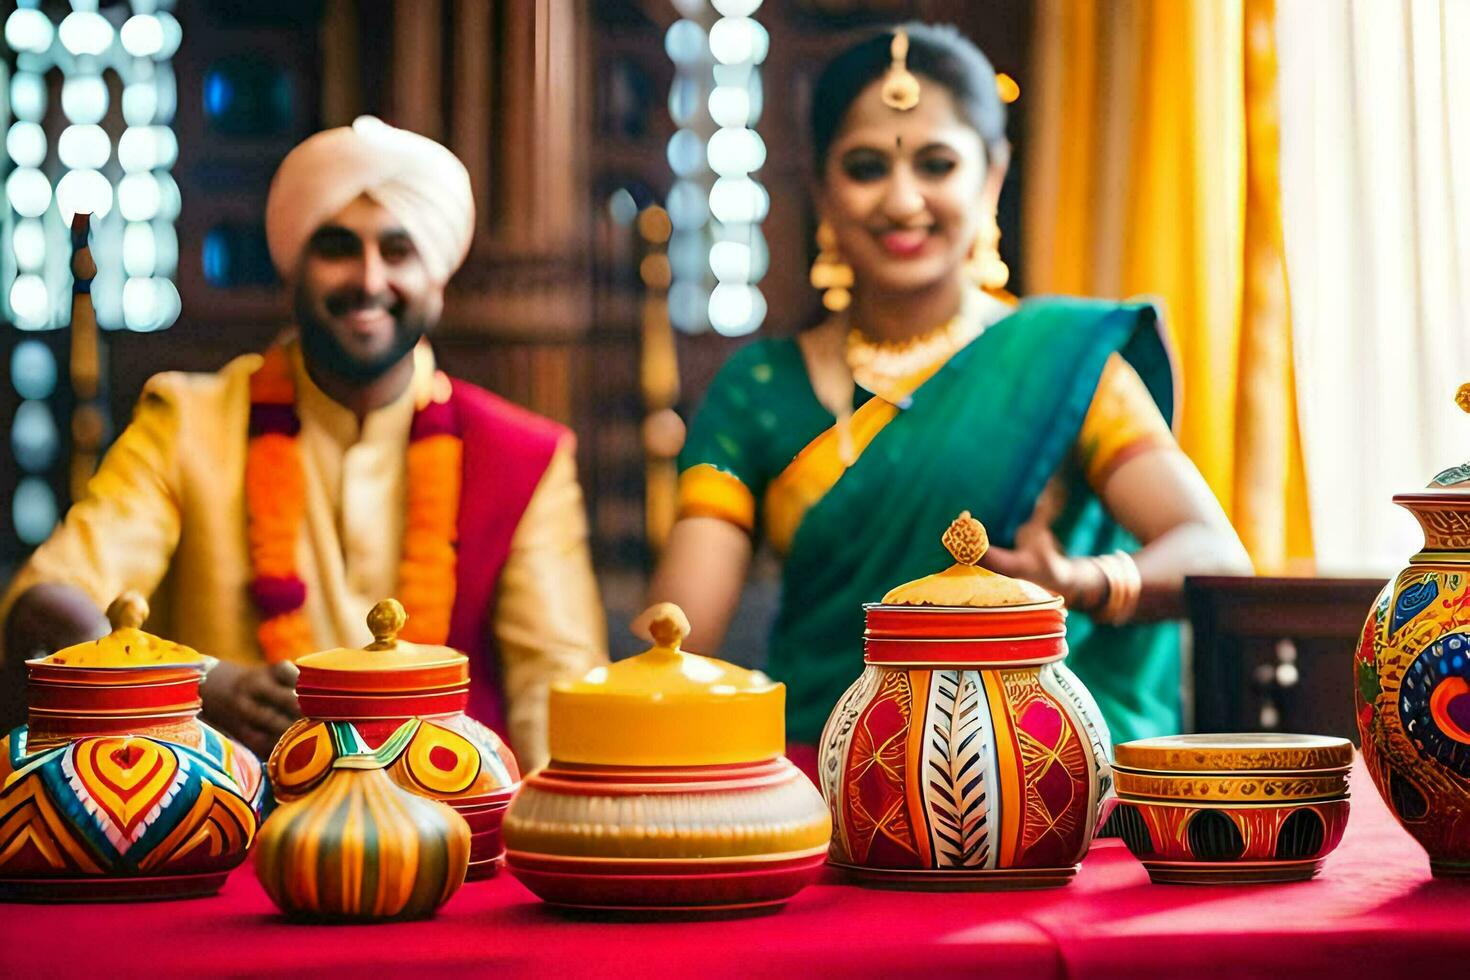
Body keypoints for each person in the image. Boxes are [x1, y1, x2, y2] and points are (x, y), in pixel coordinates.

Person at [648, 24, 1252, 747]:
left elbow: (1214, 555)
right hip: (829, 784)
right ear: (820, 188)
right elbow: (678, 636)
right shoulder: (760, 388)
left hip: (1037, 784)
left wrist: (1078, 585)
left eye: (936, 164)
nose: (903, 201)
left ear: (992, 177)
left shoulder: (1063, 363)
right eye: (866, 167)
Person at [0, 117, 606, 769]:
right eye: (338, 247)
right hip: (223, 830)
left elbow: (559, 698)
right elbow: (48, 606)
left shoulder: (522, 457)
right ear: (294, 267)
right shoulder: (188, 423)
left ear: (439, 277)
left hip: (445, 838)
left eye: (398, 251)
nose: (369, 281)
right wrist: (198, 683)